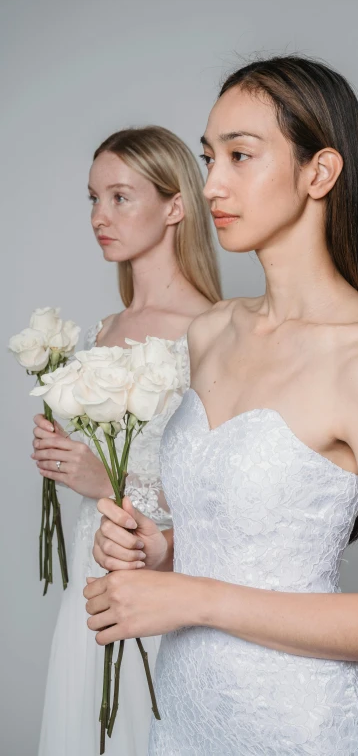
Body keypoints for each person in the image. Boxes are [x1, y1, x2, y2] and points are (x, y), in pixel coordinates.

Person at [87, 57, 358, 755]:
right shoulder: (210, 332)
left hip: (302, 730)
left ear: (319, 173)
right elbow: (241, 539)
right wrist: (160, 552)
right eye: (207, 157)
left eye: (240, 156)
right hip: (185, 721)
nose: (212, 185)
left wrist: (195, 598)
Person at [33, 125, 221, 756]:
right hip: (92, 575)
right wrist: (62, 452)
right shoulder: (105, 327)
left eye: (119, 197)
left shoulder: (211, 331)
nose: (98, 217)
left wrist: (103, 481)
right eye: (92, 199)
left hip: (160, 584)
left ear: (175, 206)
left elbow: (225, 495)